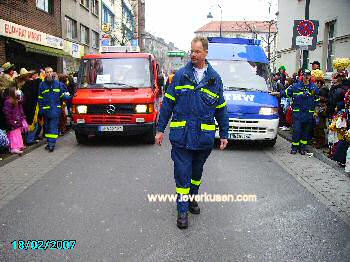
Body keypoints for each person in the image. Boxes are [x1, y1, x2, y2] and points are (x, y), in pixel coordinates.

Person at [155, 36, 229, 229]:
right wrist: (160, 129)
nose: (193, 55)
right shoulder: (181, 75)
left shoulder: (214, 79)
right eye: (192, 51)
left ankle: (192, 198)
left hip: (203, 137)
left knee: (196, 173)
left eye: (197, 51)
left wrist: (224, 133)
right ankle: (182, 211)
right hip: (181, 136)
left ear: (205, 53)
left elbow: (221, 109)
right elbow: (168, 104)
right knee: (182, 173)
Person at [38, 67, 69, 152]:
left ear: (53, 73)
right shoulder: (42, 85)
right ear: (45, 73)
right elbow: (40, 98)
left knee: (53, 127)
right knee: (47, 128)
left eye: (51, 72)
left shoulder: (58, 84)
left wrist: (69, 97)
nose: (49, 74)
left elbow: (63, 96)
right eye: (47, 72)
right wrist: (41, 110)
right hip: (46, 111)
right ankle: (49, 143)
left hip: (55, 110)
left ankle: (52, 144)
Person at [3, 83, 28, 154]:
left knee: (18, 133)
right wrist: (11, 121)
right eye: (15, 90)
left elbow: (22, 101)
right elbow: (7, 113)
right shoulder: (8, 101)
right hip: (13, 120)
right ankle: (13, 148)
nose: (17, 91)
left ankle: (19, 145)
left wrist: (20, 95)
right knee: (13, 134)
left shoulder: (16, 100)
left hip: (18, 119)